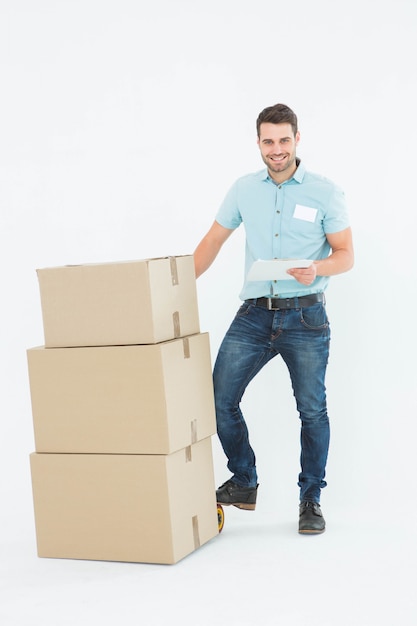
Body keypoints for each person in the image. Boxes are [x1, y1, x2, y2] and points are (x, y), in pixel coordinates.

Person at [193, 103, 354, 534]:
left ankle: (310, 499)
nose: (277, 149)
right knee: (219, 398)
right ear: (258, 142)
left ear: (297, 139)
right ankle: (244, 480)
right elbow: (212, 240)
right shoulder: (245, 189)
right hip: (254, 316)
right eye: (269, 141)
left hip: (306, 317)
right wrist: (175, 283)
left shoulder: (324, 191)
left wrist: (316, 269)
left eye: (284, 140)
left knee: (312, 411)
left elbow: (346, 256)